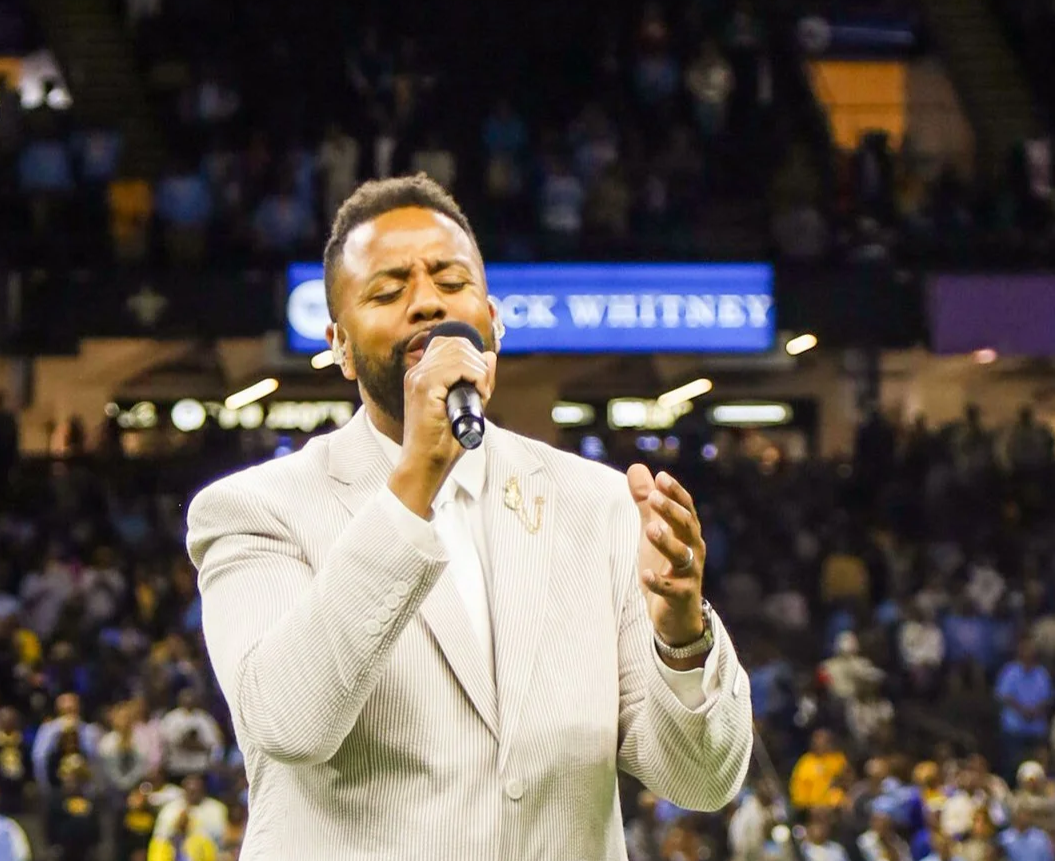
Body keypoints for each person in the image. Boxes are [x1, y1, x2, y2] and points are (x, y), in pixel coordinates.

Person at [185, 175, 751, 858]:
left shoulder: (597, 505)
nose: (427, 301)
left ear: (493, 321)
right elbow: (287, 724)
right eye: (387, 292)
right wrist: (417, 476)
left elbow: (701, 780)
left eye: (451, 282)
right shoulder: (255, 511)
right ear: (339, 345)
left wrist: (682, 637)